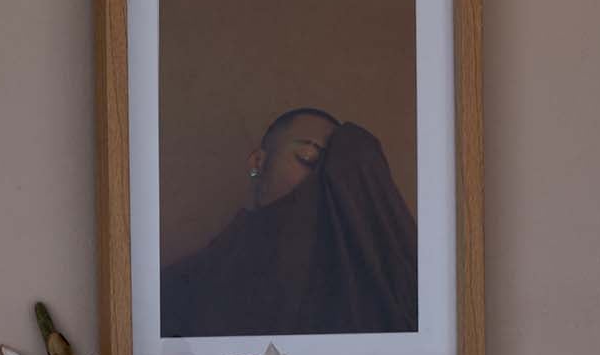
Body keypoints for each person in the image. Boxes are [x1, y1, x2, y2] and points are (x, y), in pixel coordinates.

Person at [161, 106, 419, 337]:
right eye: (307, 158)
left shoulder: (362, 290)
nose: (317, 181)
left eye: (332, 173)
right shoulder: (186, 285)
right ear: (258, 162)